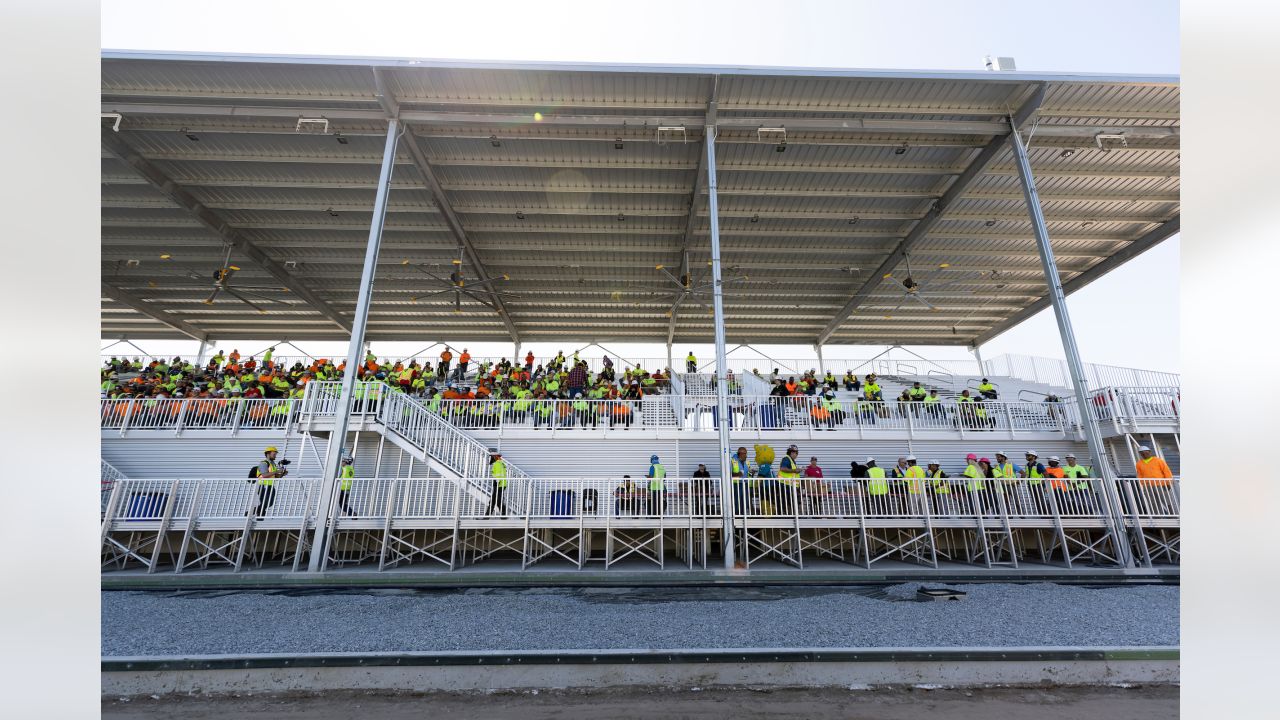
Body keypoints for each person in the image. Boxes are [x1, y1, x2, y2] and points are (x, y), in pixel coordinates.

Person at [250, 445, 286, 518]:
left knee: (270, 503)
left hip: (270, 486)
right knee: (265, 503)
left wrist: (282, 474)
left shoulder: (273, 464)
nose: (275, 456)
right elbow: (264, 475)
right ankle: (259, 516)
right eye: (274, 454)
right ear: (268, 454)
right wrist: (276, 471)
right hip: (263, 486)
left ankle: (252, 512)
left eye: (275, 454)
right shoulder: (264, 463)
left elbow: (275, 476)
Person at [777, 444, 801, 516]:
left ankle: (791, 516)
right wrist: (795, 470)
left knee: (792, 502)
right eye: (796, 453)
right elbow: (783, 468)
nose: (796, 454)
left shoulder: (792, 460)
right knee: (786, 502)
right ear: (791, 452)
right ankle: (786, 516)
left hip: (790, 485)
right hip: (785, 485)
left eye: (797, 453)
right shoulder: (786, 458)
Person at [729, 447, 751, 516]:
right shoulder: (733, 461)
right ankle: (737, 514)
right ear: (740, 454)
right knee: (737, 500)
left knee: (745, 499)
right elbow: (728, 474)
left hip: (746, 483)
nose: (746, 455)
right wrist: (737, 474)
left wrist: (751, 472)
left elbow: (748, 472)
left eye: (746, 453)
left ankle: (743, 513)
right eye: (744, 453)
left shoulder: (747, 462)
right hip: (737, 484)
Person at [486, 449, 508, 516]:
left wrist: (497, 482)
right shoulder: (501, 463)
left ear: (495, 456)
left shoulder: (497, 464)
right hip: (501, 484)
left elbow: (498, 475)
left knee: (496, 501)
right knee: (494, 501)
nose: (491, 458)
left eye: (492, 456)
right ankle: (487, 516)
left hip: (499, 484)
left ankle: (503, 515)